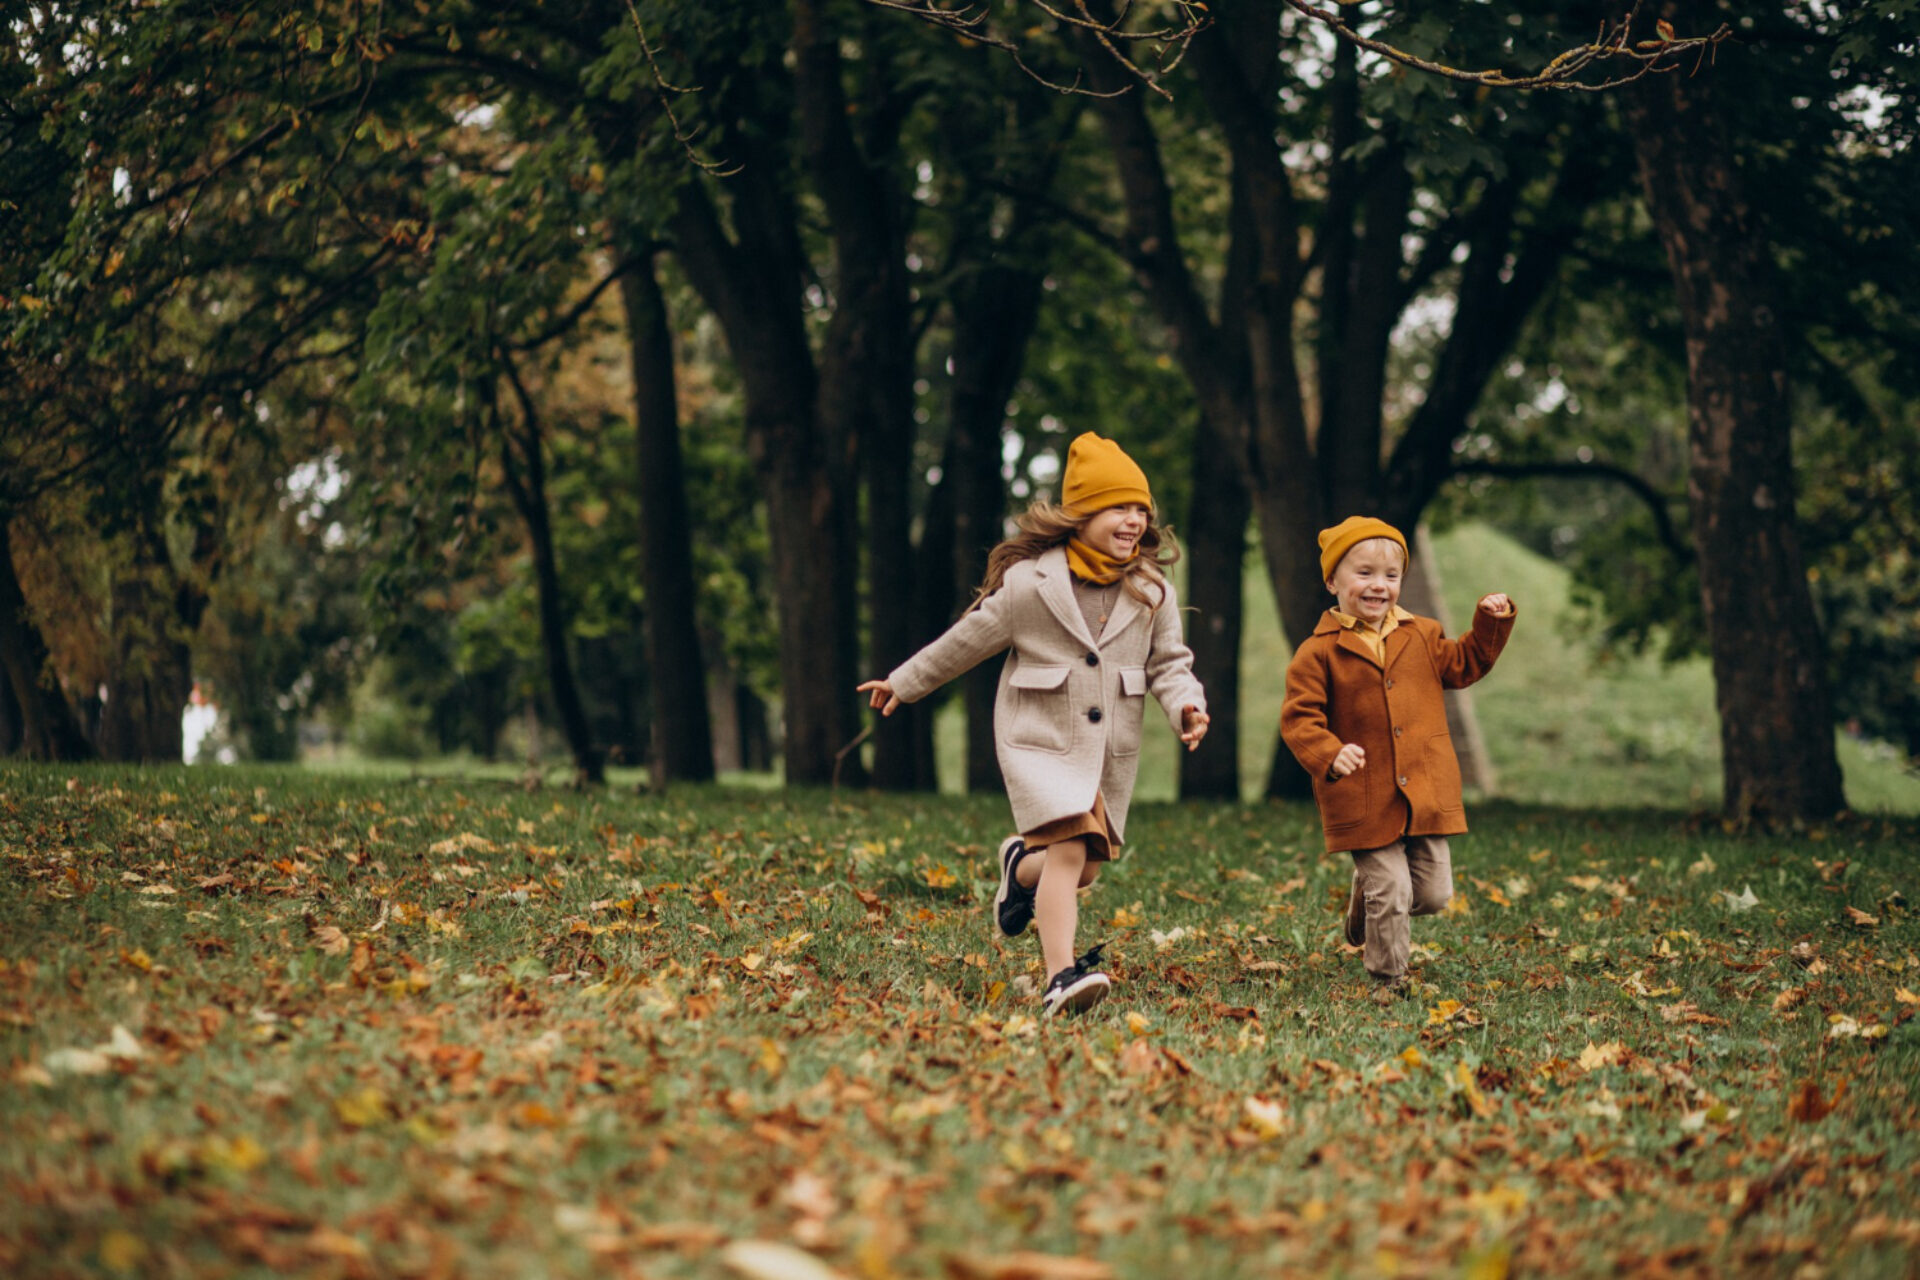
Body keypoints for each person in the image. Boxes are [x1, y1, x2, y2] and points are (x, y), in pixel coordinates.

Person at [858, 433, 1209, 1016]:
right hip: (1040, 738)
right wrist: (904, 681)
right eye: (1118, 507)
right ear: (1081, 514)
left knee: (1087, 865)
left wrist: (1186, 707)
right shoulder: (1031, 585)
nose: (1133, 520)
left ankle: (1019, 868)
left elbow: (1169, 664)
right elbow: (967, 640)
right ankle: (1060, 977)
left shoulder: (1152, 590)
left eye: (1141, 510)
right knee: (1071, 848)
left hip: (1105, 748)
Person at [1279, 517, 1515, 1004]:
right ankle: (1389, 981)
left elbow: (1466, 663)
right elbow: (1299, 720)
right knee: (1392, 890)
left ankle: (1365, 901)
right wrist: (1331, 752)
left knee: (1431, 895)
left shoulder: (1423, 635)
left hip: (1423, 789)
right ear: (1332, 582)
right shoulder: (1317, 653)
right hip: (1363, 794)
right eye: (1364, 573)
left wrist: (1490, 622)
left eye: (1390, 576)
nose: (1378, 586)